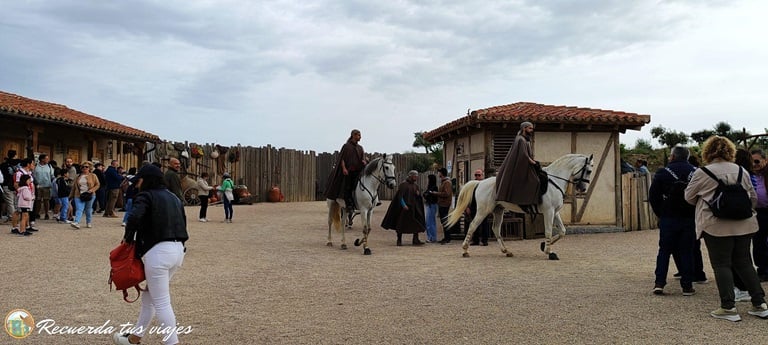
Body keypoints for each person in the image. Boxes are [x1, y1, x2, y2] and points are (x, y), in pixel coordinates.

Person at [684, 136, 768, 321]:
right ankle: (760, 303)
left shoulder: (702, 172)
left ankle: (728, 307)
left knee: (722, 264)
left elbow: (689, 197)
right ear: (731, 151)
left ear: (707, 151)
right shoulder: (741, 170)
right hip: (744, 224)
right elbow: (752, 197)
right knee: (745, 262)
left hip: (715, 225)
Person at [113, 164, 188, 345]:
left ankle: (173, 342)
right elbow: (183, 222)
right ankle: (134, 338)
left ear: (145, 180)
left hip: (157, 252)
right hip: (178, 251)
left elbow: (134, 217)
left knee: (161, 302)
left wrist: (127, 239)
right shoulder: (174, 197)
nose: (136, 185)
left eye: (138, 181)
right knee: (150, 297)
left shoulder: (146, 195)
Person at [648, 146, 697, 296]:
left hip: (668, 217)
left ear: (673, 157)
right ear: (687, 157)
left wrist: (661, 213)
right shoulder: (695, 172)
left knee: (664, 251)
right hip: (689, 217)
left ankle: (659, 283)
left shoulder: (663, 173)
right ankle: (687, 286)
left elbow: (653, 196)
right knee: (686, 251)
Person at [496, 122, 540, 207]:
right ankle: (527, 203)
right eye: (530, 128)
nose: (532, 130)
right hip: (522, 167)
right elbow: (524, 156)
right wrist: (534, 163)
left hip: (526, 165)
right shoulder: (520, 139)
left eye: (532, 128)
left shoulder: (524, 139)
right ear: (524, 128)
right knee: (535, 181)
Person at [324, 129, 367, 215]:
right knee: (348, 188)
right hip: (349, 172)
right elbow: (342, 159)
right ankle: (349, 206)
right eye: (358, 135)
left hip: (358, 170)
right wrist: (344, 168)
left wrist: (364, 161)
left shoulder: (360, 148)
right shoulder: (346, 146)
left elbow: (362, 158)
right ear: (353, 135)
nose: (360, 137)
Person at [381, 170, 426, 246]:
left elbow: (417, 196)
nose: (416, 177)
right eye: (415, 176)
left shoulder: (415, 186)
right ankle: (399, 239)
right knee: (401, 223)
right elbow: (400, 196)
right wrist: (403, 205)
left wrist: (418, 195)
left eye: (417, 176)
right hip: (405, 208)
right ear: (411, 176)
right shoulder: (403, 184)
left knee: (416, 222)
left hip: (413, 208)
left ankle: (415, 239)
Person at [750, 148, 768, 282]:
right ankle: (762, 269)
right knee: (758, 242)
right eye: (752, 162)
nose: (754, 164)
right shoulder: (748, 175)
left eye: (757, 161)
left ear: (765, 160)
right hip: (757, 213)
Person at [69, 161, 99, 229]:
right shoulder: (78, 176)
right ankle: (76, 222)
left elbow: (97, 185)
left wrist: (91, 190)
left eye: (86, 167)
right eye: (83, 167)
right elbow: (74, 187)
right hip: (78, 195)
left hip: (89, 195)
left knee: (88, 209)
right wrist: (71, 196)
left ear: (89, 168)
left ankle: (88, 222)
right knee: (79, 209)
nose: (84, 168)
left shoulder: (93, 176)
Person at [467, 169, 490, 246]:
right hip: (474, 206)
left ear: (482, 176)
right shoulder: (472, 185)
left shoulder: (486, 185)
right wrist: (467, 207)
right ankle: (475, 240)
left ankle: (485, 240)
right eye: (476, 175)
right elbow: (468, 197)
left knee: (484, 224)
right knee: (474, 223)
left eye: (479, 175)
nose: (477, 177)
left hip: (483, 207)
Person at [434, 168, 457, 244]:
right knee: (443, 221)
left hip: (444, 204)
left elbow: (446, 193)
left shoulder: (447, 182)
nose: (438, 174)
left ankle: (448, 238)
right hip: (442, 203)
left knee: (445, 221)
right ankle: (446, 237)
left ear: (441, 173)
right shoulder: (443, 182)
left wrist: (436, 193)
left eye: (439, 172)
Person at [32, 153, 54, 220]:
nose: (47, 160)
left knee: (46, 200)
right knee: (38, 200)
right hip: (38, 186)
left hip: (47, 186)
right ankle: (37, 213)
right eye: (46, 158)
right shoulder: (36, 166)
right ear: (42, 159)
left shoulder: (49, 166)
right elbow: (32, 175)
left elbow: (52, 175)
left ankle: (46, 213)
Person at [423, 174, 439, 243]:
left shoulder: (434, 187)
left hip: (431, 205)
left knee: (430, 222)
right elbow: (425, 194)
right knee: (430, 221)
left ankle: (431, 237)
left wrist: (428, 194)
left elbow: (428, 195)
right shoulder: (430, 187)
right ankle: (432, 237)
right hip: (430, 204)